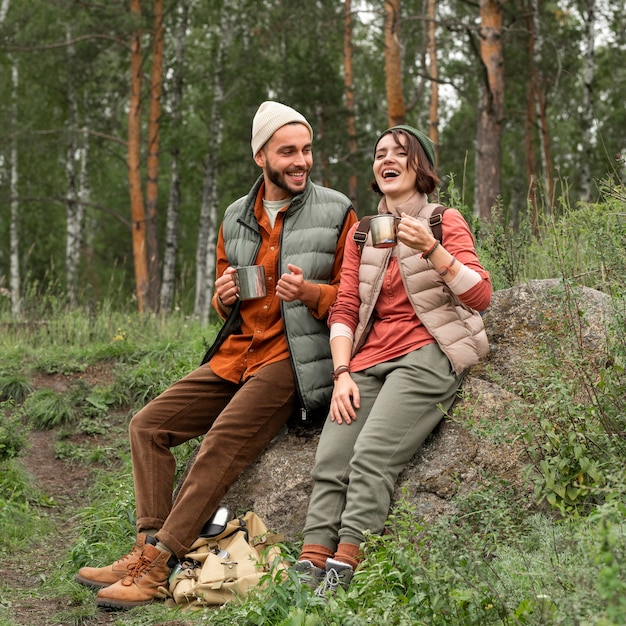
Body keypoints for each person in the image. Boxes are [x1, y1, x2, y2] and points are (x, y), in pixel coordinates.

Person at [75, 101, 357, 610]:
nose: (302, 161)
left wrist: (312, 293)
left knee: (220, 443)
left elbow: (356, 298)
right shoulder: (234, 216)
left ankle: (156, 570)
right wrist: (221, 295)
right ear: (260, 156)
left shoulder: (337, 210)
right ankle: (143, 550)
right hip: (237, 354)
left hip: (291, 362)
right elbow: (224, 298)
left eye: (307, 150)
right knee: (147, 425)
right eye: (288, 151)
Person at [295, 125, 492, 594]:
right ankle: (309, 563)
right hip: (368, 359)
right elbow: (344, 307)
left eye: (399, 153)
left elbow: (481, 296)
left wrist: (432, 248)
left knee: (370, 456)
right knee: (331, 458)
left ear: (419, 165)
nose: (388, 160)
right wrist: (341, 372)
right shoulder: (363, 233)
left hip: (428, 353)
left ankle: (347, 563)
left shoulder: (444, 220)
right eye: (380, 153)